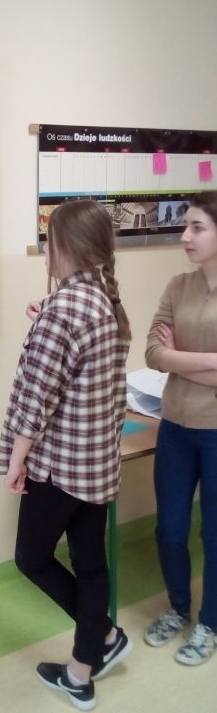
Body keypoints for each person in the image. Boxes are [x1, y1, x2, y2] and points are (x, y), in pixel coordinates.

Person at [0, 199, 132, 711]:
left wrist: (17, 461)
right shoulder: (102, 300)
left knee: (31, 559)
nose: (45, 251)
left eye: (49, 242)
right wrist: (45, 320)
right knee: (91, 565)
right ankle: (84, 666)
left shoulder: (63, 309)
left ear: (65, 247)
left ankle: (100, 639)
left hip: (58, 468)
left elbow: (37, 397)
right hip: (95, 464)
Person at [145, 190, 217, 665]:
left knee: (214, 535)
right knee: (170, 530)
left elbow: (168, 356)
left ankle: (209, 622)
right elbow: (153, 353)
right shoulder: (178, 286)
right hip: (174, 426)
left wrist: (179, 359)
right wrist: (210, 362)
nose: (184, 236)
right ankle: (178, 608)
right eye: (185, 226)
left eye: (197, 227)